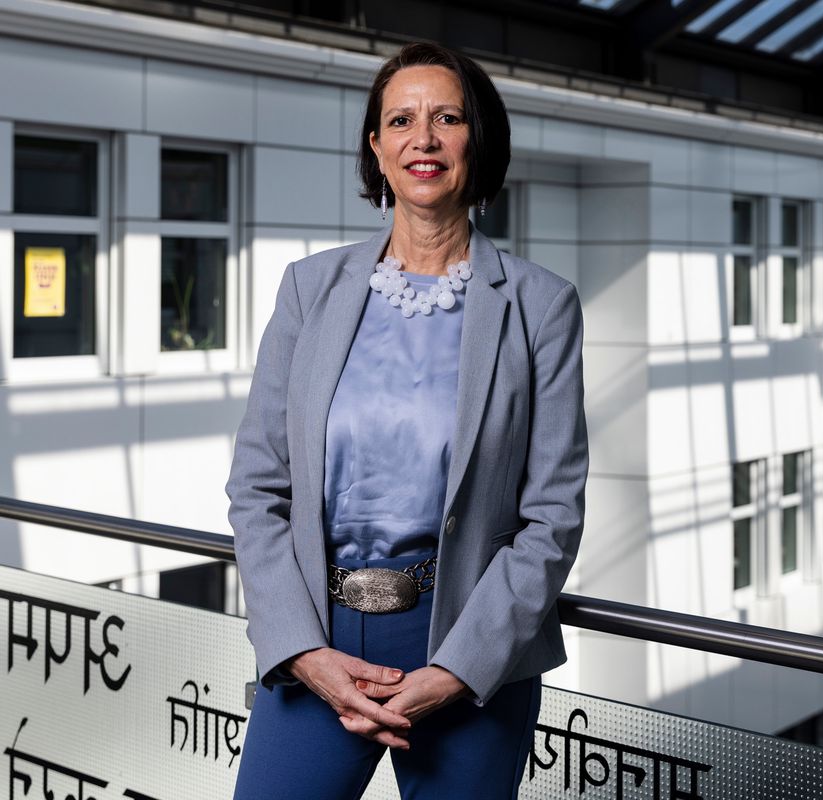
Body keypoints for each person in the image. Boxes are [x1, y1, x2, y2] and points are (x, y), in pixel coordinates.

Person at [226, 41, 588, 799]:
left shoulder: (541, 307)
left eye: (446, 117)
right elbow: (258, 488)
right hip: (316, 642)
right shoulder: (308, 290)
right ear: (377, 150)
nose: (423, 137)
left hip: (469, 650)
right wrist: (300, 650)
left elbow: (551, 516)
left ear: (475, 142)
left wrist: (460, 668)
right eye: (401, 120)